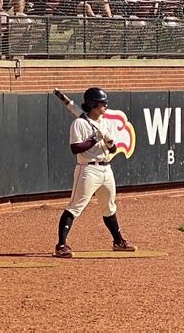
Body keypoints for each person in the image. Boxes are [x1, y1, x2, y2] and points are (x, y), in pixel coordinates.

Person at [53, 87, 137, 258]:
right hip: (88, 169)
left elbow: (112, 149)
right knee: (75, 207)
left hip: (106, 169)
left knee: (109, 207)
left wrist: (109, 143)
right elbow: (75, 148)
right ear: (92, 104)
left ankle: (118, 241)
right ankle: (61, 245)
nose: (105, 106)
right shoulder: (80, 123)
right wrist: (94, 140)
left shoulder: (104, 122)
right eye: (101, 103)